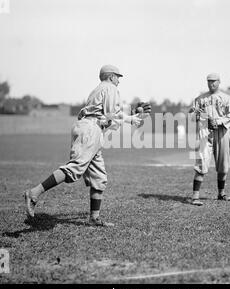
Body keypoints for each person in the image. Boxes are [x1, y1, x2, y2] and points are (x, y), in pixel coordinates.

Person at [23, 65, 144, 227]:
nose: (119, 80)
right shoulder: (111, 88)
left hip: (88, 128)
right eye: (117, 77)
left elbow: (108, 115)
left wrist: (130, 118)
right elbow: (110, 116)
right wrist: (130, 119)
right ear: (110, 76)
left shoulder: (98, 89)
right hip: (90, 130)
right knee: (74, 168)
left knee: (99, 178)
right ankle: (34, 192)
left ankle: (94, 218)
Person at [187, 73, 230, 206]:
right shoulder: (200, 99)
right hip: (205, 133)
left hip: (223, 132)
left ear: (219, 82)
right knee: (201, 164)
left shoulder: (226, 98)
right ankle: (195, 196)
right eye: (209, 81)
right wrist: (193, 113)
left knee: (223, 165)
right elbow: (192, 116)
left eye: (214, 81)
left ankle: (221, 193)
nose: (211, 83)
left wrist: (218, 121)